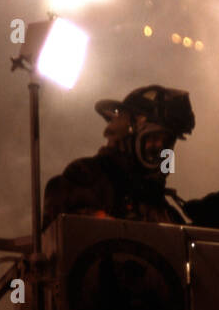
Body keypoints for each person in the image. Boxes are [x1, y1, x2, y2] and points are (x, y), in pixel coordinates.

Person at [42, 84, 194, 228]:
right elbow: (68, 236)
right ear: (127, 134)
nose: (160, 147)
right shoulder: (85, 176)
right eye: (153, 138)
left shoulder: (165, 209)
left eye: (167, 141)